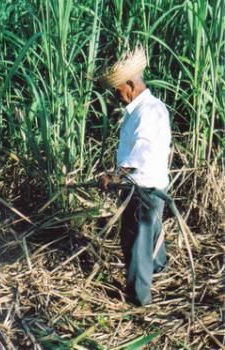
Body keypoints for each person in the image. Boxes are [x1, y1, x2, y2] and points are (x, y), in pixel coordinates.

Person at [99, 46, 171, 306]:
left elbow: (140, 153)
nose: (115, 95)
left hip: (143, 189)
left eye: (116, 89)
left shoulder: (146, 112)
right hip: (152, 185)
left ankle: (140, 300)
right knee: (151, 231)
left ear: (130, 84)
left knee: (136, 241)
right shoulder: (149, 108)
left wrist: (113, 176)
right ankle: (159, 268)